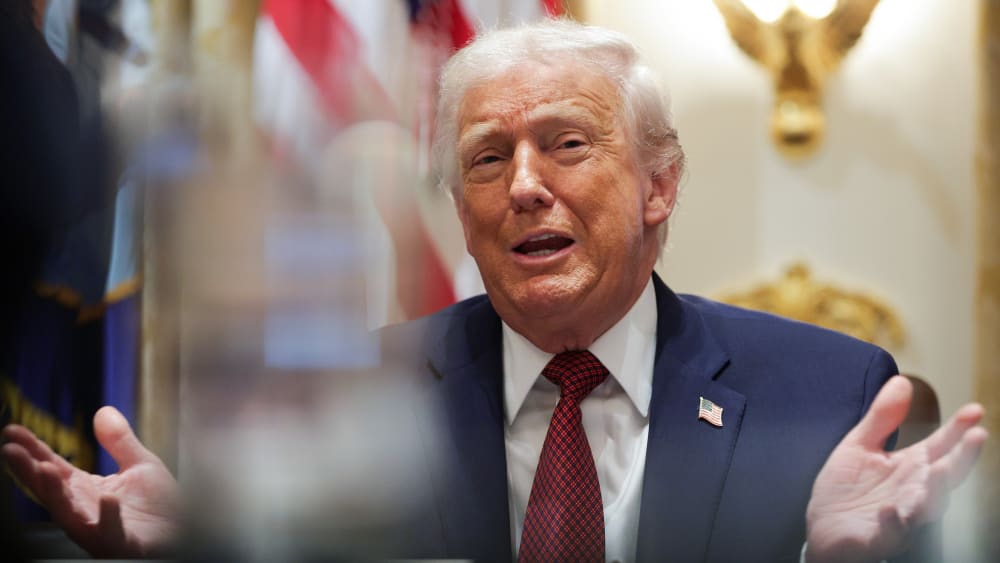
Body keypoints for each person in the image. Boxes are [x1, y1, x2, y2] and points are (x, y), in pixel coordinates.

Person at [1, 18, 987, 563]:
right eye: (484, 157)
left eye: (565, 144)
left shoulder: (825, 397)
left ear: (658, 185)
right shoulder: (352, 394)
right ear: (459, 210)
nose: (523, 185)